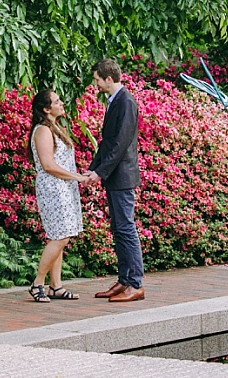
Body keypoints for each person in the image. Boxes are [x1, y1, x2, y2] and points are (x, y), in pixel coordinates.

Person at [82, 58, 144, 302]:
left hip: (123, 176)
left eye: (97, 79)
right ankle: (124, 280)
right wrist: (93, 169)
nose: (95, 83)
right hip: (115, 176)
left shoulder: (126, 102)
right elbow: (107, 142)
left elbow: (120, 144)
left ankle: (136, 283)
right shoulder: (115, 101)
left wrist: (100, 172)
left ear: (109, 78)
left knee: (126, 228)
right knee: (119, 229)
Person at [27, 87, 87, 302]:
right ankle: (38, 283)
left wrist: (76, 177)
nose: (61, 104)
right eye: (57, 102)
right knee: (61, 236)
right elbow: (48, 165)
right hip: (53, 188)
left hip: (63, 187)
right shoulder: (43, 130)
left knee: (59, 236)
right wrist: (77, 177)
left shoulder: (55, 127)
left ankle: (56, 286)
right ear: (46, 108)